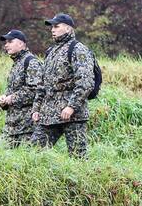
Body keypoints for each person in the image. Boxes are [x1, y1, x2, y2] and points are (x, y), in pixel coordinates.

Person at [30, 13, 96, 158]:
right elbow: (42, 84)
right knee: (33, 152)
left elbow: (86, 82)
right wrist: (36, 108)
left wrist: (71, 106)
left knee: (78, 158)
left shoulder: (78, 49)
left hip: (73, 115)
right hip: (49, 114)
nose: (52, 30)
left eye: (56, 26)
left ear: (68, 29)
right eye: (51, 27)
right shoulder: (51, 52)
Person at [0, 29, 42, 147]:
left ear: (21, 44)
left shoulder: (30, 62)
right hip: (11, 127)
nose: (6, 45)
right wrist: (4, 100)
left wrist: (12, 98)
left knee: (27, 162)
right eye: (5, 42)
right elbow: (13, 90)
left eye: (10, 41)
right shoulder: (17, 63)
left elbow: (35, 90)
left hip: (27, 128)